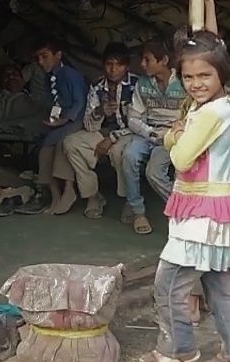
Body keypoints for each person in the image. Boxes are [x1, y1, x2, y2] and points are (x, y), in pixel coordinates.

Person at [140, 29, 230, 362]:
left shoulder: (210, 113)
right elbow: (179, 141)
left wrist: (174, 135)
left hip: (202, 214)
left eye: (204, 75)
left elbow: (181, 158)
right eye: (188, 77)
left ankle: (178, 350)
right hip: (217, 210)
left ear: (222, 74)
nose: (196, 83)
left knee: (169, 284)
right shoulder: (212, 106)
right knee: (219, 283)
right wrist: (178, 134)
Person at [51, 42, 139, 218]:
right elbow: (89, 125)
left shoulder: (136, 85)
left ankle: (130, 200)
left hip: (130, 133)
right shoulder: (97, 85)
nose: (113, 69)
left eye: (119, 65)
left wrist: (112, 138)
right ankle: (92, 195)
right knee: (71, 143)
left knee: (118, 153)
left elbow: (139, 123)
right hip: (102, 132)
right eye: (109, 64)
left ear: (127, 66)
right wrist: (99, 112)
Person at [122, 37, 186, 234]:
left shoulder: (184, 82)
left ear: (164, 60)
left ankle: (182, 210)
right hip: (148, 132)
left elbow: (192, 117)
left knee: (154, 172)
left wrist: (172, 133)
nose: (142, 64)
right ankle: (138, 212)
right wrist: (149, 132)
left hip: (174, 136)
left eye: (147, 59)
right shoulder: (142, 84)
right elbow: (133, 119)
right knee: (129, 155)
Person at [17, 38, 87, 214]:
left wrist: (64, 120)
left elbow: (80, 102)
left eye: (45, 56)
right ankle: (54, 193)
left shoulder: (70, 75)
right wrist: (55, 119)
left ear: (58, 55)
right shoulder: (50, 76)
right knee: (45, 144)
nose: (41, 62)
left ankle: (67, 191)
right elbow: (56, 102)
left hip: (79, 121)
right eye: (38, 58)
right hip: (63, 121)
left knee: (55, 144)